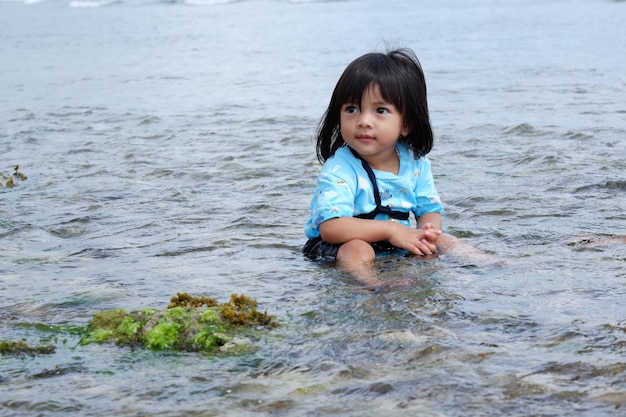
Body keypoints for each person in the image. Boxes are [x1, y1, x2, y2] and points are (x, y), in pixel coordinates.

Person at [303, 48, 459, 288]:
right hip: (338, 245)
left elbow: (429, 209)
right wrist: (391, 230)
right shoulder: (341, 167)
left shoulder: (416, 163)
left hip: (391, 243)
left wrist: (427, 232)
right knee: (359, 249)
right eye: (352, 109)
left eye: (380, 111)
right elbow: (331, 228)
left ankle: (489, 263)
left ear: (405, 123)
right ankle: (375, 285)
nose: (364, 121)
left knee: (445, 241)